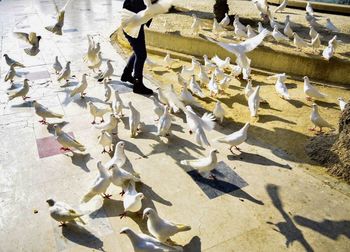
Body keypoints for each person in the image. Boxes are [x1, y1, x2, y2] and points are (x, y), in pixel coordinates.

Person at [121, 0, 157, 95]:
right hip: (133, 27)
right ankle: (138, 85)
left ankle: (127, 74)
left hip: (132, 25)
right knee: (141, 55)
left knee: (138, 51)